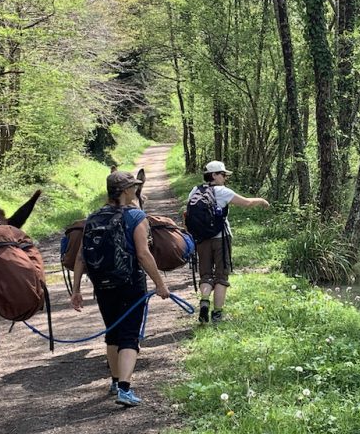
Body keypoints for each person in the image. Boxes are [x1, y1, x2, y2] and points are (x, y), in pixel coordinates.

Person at [71, 170, 170, 407]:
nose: (136, 189)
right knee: (129, 335)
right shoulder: (136, 216)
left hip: (102, 285)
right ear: (126, 190)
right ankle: (125, 389)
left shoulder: (92, 218)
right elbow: (143, 254)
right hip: (130, 283)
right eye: (134, 186)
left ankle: (115, 381)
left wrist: (76, 290)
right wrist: (160, 283)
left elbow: (80, 258)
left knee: (112, 332)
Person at [188, 160, 269, 324]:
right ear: (214, 175)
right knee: (221, 276)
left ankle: (204, 300)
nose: (225, 178)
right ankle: (217, 315)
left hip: (201, 240)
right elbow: (246, 203)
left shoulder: (195, 191)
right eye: (223, 174)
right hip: (221, 239)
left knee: (205, 274)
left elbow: (188, 213)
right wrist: (261, 200)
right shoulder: (222, 191)